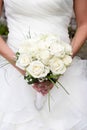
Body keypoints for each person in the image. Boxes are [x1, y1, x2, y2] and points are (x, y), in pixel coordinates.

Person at [0, 0, 87, 129]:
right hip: (11, 73)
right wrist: (22, 67)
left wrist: (61, 64)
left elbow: (84, 24)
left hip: (64, 73)